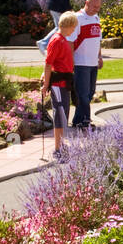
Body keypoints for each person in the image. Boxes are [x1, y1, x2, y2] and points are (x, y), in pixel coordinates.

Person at [40, 11, 78, 156]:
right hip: (58, 84)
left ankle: (61, 145)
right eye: (73, 27)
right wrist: (45, 84)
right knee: (60, 115)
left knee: (64, 114)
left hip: (65, 82)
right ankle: (57, 148)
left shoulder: (63, 39)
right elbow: (48, 63)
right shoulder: (57, 40)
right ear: (67, 26)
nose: (74, 30)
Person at [70, 0, 103, 130]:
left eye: (99, 7)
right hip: (81, 62)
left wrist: (99, 56)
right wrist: (71, 60)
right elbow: (71, 41)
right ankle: (85, 121)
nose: (97, 9)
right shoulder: (78, 18)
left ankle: (78, 120)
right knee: (82, 94)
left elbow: (98, 40)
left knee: (90, 92)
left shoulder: (96, 18)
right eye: (94, 6)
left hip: (92, 62)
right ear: (87, 3)